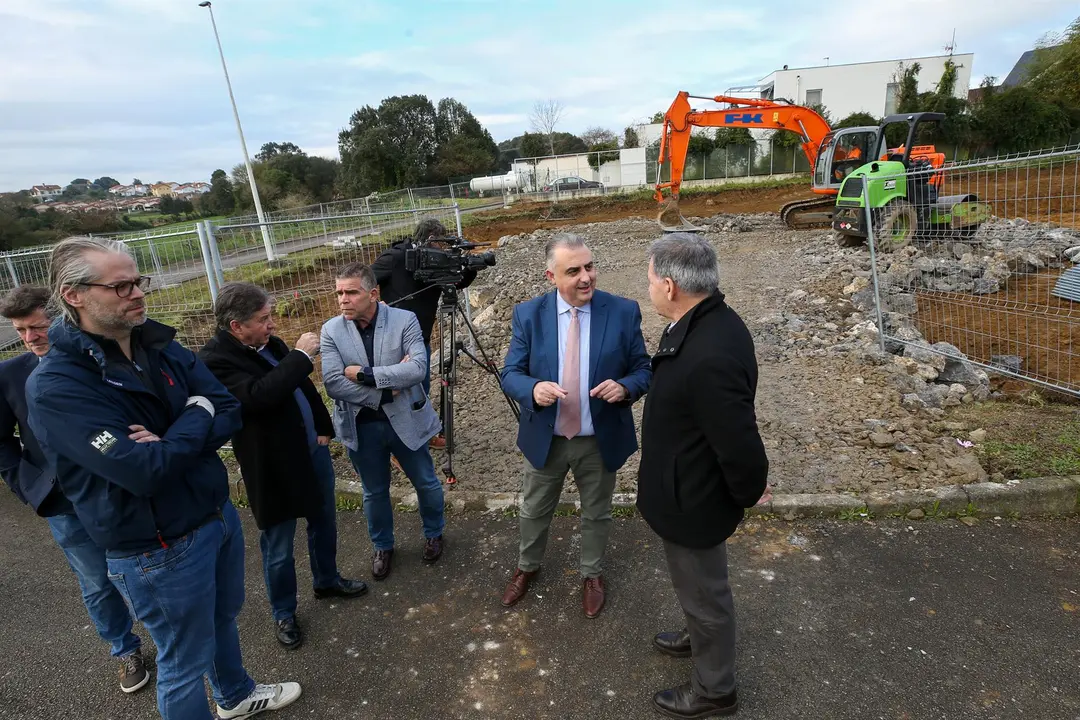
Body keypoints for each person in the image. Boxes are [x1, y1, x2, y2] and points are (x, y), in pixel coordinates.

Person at [24, 236, 301, 720]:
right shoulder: (58, 385)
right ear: (74, 295)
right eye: (121, 286)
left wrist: (173, 434)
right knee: (182, 663)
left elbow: (229, 408)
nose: (137, 294)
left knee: (221, 619)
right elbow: (142, 470)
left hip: (214, 515)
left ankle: (234, 695)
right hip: (156, 548)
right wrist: (196, 412)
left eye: (138, 281)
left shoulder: (159, 344)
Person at [637, 233, 769, 718]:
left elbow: (739, 442)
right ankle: (696, 636)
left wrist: (747, 492)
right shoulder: (702, 322)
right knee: (693, 589)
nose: (648, 288)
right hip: (684, 489)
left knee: (706, 594)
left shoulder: (710, 350)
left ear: (669, 286)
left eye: (650, 280)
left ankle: (716, 690)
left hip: (695, 500)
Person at [198, 282, 368, 651]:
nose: (271, 324)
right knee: (278, 543)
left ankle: (327, 580)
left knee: (324, 521)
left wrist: (323, 427)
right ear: (235, 326)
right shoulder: (215, 361)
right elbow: (258, 397)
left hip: (311, 453)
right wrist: (300, 357)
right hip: (272, 465)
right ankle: (283, 612)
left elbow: (301, 388)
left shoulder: (267, 344)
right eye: (262, 319)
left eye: (270, 316)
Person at [0, 285, 150, 694]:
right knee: (96, 582)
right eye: (20, 330)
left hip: (118, 492)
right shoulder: (9, 375)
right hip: (64, 504)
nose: (30, 337)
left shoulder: (96, 363)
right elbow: (3, 441)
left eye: (37, 327)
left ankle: (174, 639)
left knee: (143, 570)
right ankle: (125, 650)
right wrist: (27, 485)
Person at [499, 233, 652, 619]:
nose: (586, 277)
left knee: (596, 512)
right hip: (546, 437)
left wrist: (625, 387)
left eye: (590, 266)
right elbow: (510, 373)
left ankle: (592, 574)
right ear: (551, 276)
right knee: (533, 509)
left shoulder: (622, 311)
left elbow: (644, 370)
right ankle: (527, 567)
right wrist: (533, 389)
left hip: (597, 439)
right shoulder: (529, 314)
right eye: (574, 271)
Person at [321, 262, 445, 581]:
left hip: (407, 421)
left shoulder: (405, 320)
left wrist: (365, 375)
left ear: (373, 293)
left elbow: (417, 368)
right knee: (374, 491)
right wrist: (388, 389)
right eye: (339, 293)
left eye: (351, 292)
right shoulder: (331, 330)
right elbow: (333, 382)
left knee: (426, 482)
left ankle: (434, 533)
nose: (343, 299)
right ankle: (382, 546)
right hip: (362, 426)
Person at [371, 217, 477, 446]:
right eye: (440, 244)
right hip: (392, 340)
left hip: (421, 337)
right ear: (431, 238)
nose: (441, 250)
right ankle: (395, 443)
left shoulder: (436, 262)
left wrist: (470, 269)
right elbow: (363, 282)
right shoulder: (396, 257)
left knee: (421, 388)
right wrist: (376, 308)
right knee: (396, 391)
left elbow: (457, 283)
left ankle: (424, 435)